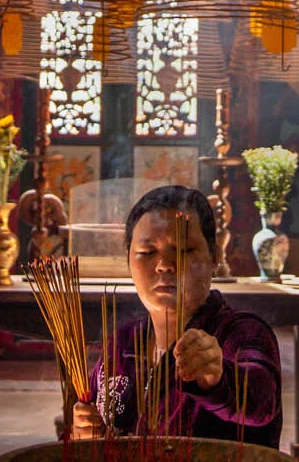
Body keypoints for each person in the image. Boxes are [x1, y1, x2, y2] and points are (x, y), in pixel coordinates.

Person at [69, 184, 282, 447]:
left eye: (183, 250)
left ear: (214, 256)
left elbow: (262, 402)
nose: (165, 265)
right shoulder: (122, 344)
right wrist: (84, 432)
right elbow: (86, 425)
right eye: (147, 253)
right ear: (128, 261)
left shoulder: (241, 333)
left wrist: (219, 379)